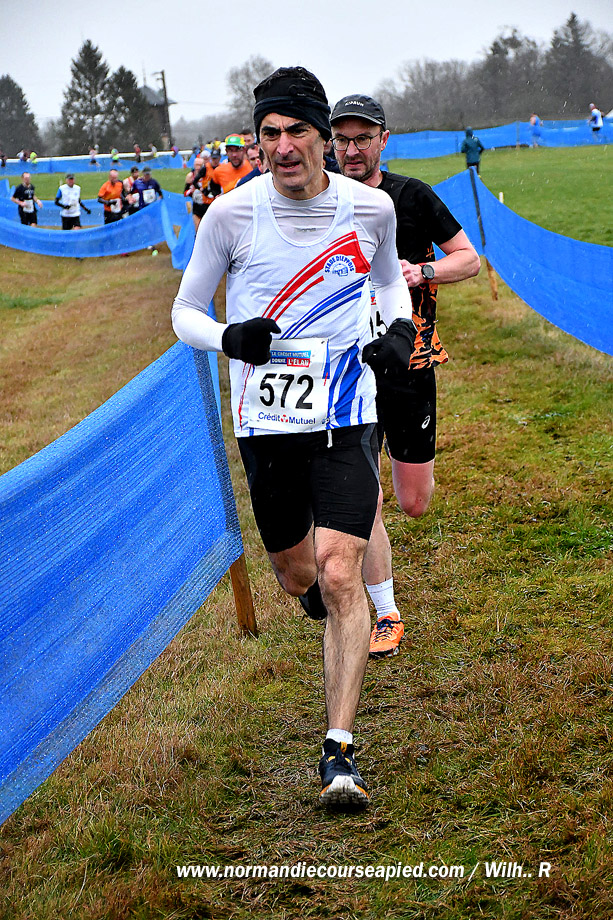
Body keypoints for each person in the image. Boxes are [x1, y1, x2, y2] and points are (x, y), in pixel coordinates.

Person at [172, 66, 415, 808]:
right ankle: (327, 613)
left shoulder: (370, 208)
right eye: (269, 133)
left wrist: (398, 329)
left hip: (346, 412)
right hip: (268, 422)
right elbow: (184, 311)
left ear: (322, 136)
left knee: (341, 574)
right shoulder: (230, 215)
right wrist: (228, 336)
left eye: (296, 131)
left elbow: (386, 282)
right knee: (297, 574)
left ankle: (338, 753)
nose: (282, 146)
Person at [331, 94, 480, 658]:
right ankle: (386, 610)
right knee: (363, 498)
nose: (351, 149)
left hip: (409, 362)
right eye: (342, 139)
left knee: (413, 501)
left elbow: (469, 258)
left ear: (383, 141)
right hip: (345, 371)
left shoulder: (412, 196)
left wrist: (423, 271)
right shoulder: (321, 201)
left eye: (362, 138)